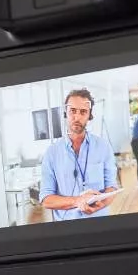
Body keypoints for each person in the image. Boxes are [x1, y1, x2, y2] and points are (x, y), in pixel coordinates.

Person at [39, 88, 119, 220]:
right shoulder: (52, 153)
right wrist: (77, 201)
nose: (77, 117)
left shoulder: (103, 146)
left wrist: (100, 204)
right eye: (72, 111)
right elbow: (46, 199)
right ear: (66, 112)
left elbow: (111, 187)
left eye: (83, 112)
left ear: (89, 115)